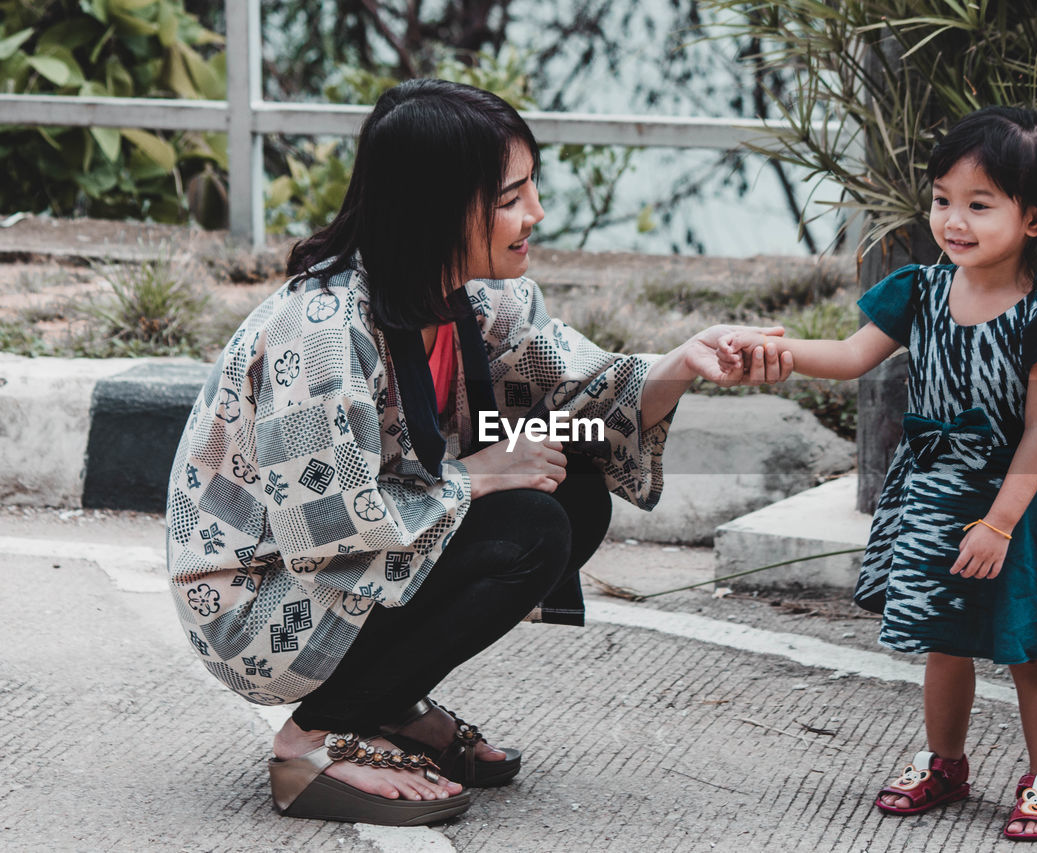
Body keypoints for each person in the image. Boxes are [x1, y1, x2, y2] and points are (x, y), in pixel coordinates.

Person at [165, 78, 791, 827]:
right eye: (509, 199)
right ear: (435, 209)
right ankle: (312, 744)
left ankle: (388, 705)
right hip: (262, 601)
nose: (536, 215)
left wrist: (683, 364)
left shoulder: (474, 300)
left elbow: (587, 396)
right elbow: (330, 529)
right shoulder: (322, 333)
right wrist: (479, 475)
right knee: (530, 525)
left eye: (532, 190)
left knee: (573, 480)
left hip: (356, 562)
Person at [717, 106, 1037, 843]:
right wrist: (771, 349)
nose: (954, 220)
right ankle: (945, 760)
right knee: (945, 636)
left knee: (1030, 645)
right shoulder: (920, 291)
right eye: (943, 200)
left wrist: (1000, 523)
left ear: (1034, 218)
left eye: (980, 204)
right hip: (934, 491)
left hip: (1013, 500)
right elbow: (848, 355)